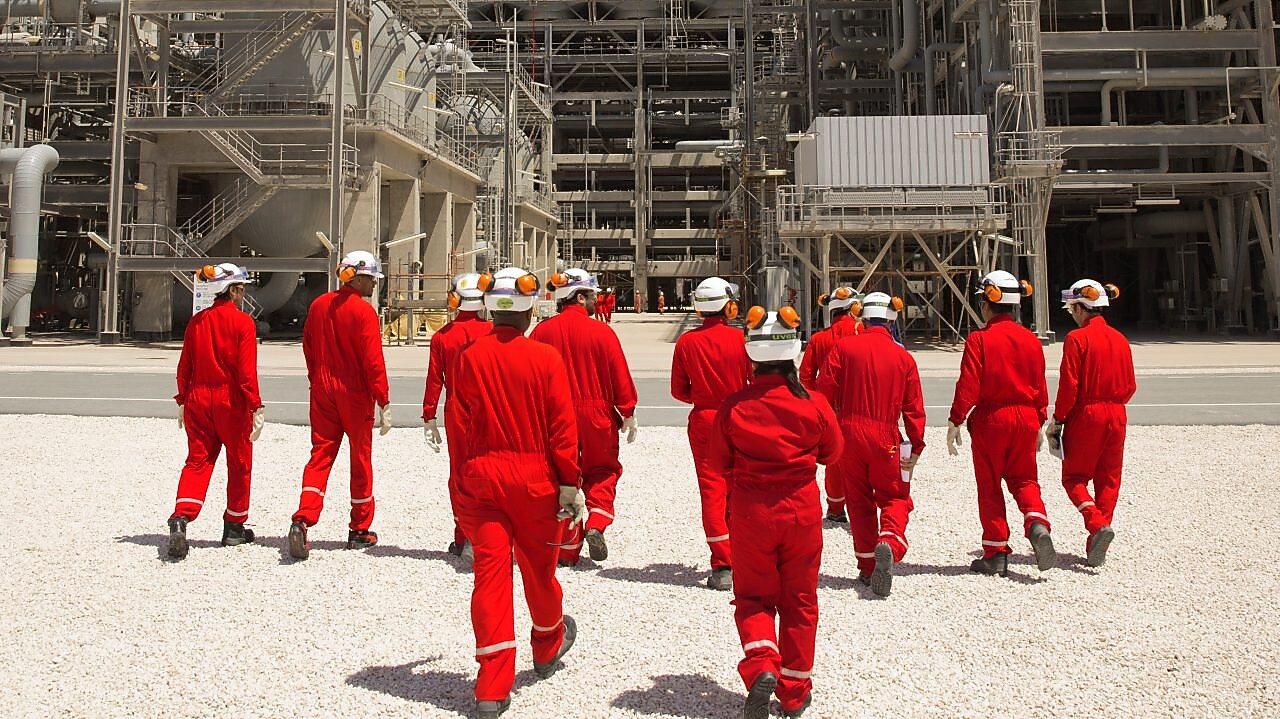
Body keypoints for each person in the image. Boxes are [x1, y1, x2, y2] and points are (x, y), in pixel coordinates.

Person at [451, 267, 581, 719]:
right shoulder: (545, 359)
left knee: (490, 576)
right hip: (533, 479)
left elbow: (463, 419)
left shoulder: (470, 356)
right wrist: (570, 484)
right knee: (539, 571)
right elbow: (563, 431)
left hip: (483, 477)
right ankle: (546, 644)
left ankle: (491, 685)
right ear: (528, 311)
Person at [708, 306, 842, 719]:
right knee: (801, 601)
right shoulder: (814, 403)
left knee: (753, 597)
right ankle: (795, 690)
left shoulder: (734, 407)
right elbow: (833, 453)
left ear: (752, 354)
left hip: (751, 513)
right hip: (801, 511)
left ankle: (762, 662)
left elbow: (717, 463)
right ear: (794, 352)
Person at [946, 270, 1056, 577]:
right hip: (1025, 418)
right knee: (1025, 480)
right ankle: (1037, 523)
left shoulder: (979, 339)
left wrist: (956, 420)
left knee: (990, 485)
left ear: (987, 303)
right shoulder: (1032, 341)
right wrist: (1039, 420)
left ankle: (995, 553)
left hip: (991, 420)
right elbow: (1040, 386)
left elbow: (968, 384)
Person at [818, 292, 924, 597]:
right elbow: (914, 408)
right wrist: (916, 445)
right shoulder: (903, 357)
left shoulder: (843, 347)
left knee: (859, 502)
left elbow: (824, 388)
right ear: (892, 318)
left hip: (848, 433)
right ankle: (889, 541)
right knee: (895, 496)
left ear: (861, 316)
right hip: (886, 436)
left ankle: (867, 568)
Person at [287, 250, 391, 560]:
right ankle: (359, 530)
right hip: (355, 394)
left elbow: (308, 347)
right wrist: (383, 398)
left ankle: (303, 518)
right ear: (357, 277)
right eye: (371, 278)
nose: (374, 284)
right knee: (360, 459)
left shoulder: (319, 305)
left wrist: (315, 379)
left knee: (320, 455)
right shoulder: (364, 313)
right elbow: (373, 361)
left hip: (322, 389)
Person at [530, 269, 639, 565]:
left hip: (556, 417)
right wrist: (627, 411)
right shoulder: (602, 332)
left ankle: (567, 549)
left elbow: (532, 379)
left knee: (563, 477)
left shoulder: (542, 332)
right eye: (592, 295)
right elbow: (620, 377)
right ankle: (597, 524)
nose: (596, 299)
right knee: (602, 471)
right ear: (579, 296)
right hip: (597, 415)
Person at [167, 263, 263, 560]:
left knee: (197, 462)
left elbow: (185, 366)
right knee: (239, 463)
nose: (242, 296)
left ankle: (181, 518)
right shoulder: (243, 323)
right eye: (241, 290)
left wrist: (183, 399)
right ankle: (234, 527)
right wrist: (255, 405)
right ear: (231, 290)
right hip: (230, 402)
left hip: (197, 398)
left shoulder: (196, 323)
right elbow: (246, 372)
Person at [671, 276, 753, 591]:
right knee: (741, 486)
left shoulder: (687, 343)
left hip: (705, 421)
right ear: (727, 305)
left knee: (712, 491)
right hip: (738, 417)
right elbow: (752, 380)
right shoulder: (740, 340)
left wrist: (703, 397)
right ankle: (746, 554)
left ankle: (723, 564)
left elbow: (679, 391)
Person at [1046, 279, 1136, 567]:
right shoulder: (1121, 339)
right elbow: (1131, 385)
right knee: (1108, 480)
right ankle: (1097, 544)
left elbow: (1069, 385)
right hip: (1118, 414)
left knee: (1073, 478)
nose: (1072, 314)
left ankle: (1097, 525)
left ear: (1082, 308)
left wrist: (1058, 419)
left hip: (1087, 415)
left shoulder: (1076, 339)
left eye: (1073, 309)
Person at [423, 272, 493, 562]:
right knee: (491, 470)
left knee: (460, 474)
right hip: (491, 410)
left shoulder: (442, 337)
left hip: (457, 411)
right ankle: (492, 535)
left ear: (455, 300)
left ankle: (463, 536)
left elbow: (434, 380)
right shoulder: (493, 332)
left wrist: (429, 416)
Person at [797, 287, 863, 522]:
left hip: (829, 410)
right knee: (863, 459)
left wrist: (817, 400)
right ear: (855, 308)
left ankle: (836, 509)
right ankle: (864, 508)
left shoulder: (818, 339)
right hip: (861, 407)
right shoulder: (862, 333)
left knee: (834, 460)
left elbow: (805, 376)